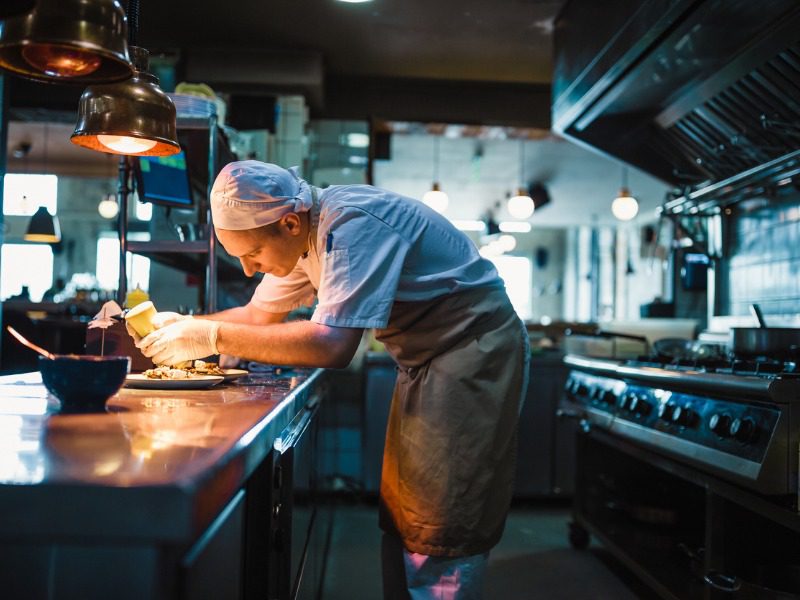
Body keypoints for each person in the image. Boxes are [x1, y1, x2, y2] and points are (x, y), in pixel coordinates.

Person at [130, 161, 530, 599]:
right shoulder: (301, 239)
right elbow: (255, 317)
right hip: (427, 361)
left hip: (472, 351)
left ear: (287, 222)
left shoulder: (351, 226)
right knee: (410, 512)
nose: (248, 270)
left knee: (445, 516)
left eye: (252, 255)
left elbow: (332, 346)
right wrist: (184, 327)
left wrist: (210, 335)